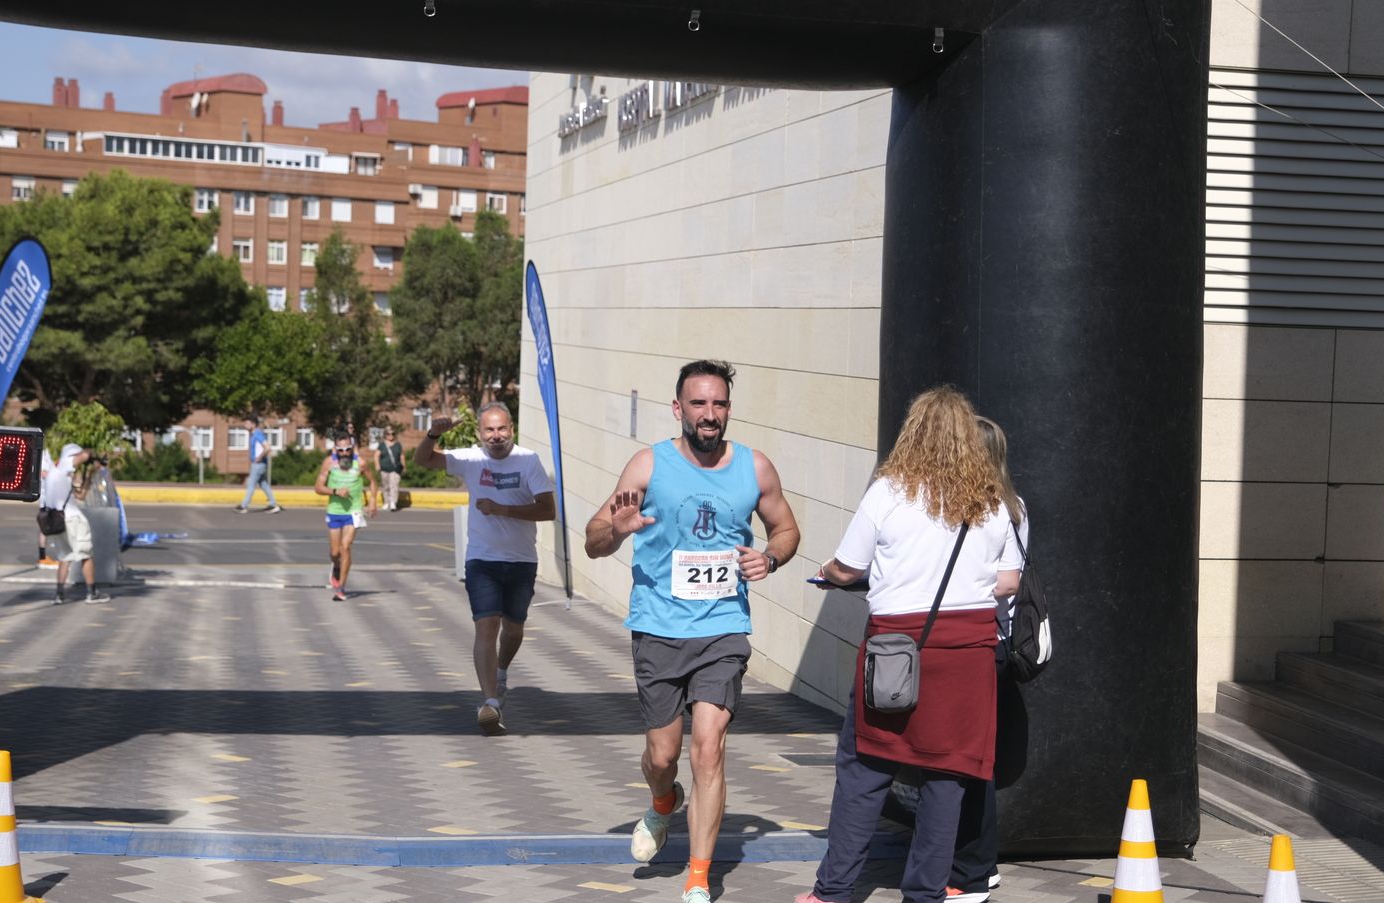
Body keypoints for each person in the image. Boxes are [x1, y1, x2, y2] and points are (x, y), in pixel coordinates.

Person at [585, 360, 800, 903]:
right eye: (698, 404)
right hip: (658, 628)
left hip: (723, 628)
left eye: (719, 404)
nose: (709, 414)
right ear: (678, 408)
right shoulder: (648, 465)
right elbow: (592, 538)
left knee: (708, 749)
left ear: (729, 409)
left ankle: (699, 879)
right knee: (663, 755)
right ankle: (663, 803)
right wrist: (618, 527)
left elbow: (787, 528)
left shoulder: (754, 467)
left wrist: (770, 558)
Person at [795, 386, 1020, 903]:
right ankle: (924, 894)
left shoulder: (888, 492)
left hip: (897, 650)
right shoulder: (990, 501)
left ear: (912, 433)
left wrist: (829, 573)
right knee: (949, 776)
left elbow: (849, 567)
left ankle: (832, 892)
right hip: (968, 657)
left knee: (865, 767)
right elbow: (1009, 581)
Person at [415, 402, 555, 735]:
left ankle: (502, 669)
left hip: (521, 560)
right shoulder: (471, 459)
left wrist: (501, 508)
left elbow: (547, 510)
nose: (496, 436)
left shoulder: (527, 461)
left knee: (514, 628)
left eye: (502, 429)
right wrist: (434, 433)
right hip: (482, 560)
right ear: (480, 433)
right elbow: (423, 460)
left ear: (512, 430)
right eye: (489, 430)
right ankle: (490, 703)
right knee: (486, 627)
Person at [945, 415, 1030, 900]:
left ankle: (973, 869)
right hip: (978, 642)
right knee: (968, 756)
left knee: (971, 759)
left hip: (986, 643)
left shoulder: (1005, 508)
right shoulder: (994, 504)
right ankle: (975, 864)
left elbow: (1009, 581)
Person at [43, 444, 111, 605]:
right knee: (86, 555)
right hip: (73, 519)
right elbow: (85, 455)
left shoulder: (56, 471)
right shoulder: (67, 462)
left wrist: (90, 474)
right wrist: (92, 456)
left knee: (64, 557)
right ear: (73, 454)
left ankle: (59, 595)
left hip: (58, 520)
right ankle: (92, 593)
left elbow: (80, 496)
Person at [315, 431, 377, 601]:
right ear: (335, 449)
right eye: (340, 450)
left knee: (346, 547)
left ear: (352, 448)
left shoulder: (361, 463)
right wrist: (335, 491)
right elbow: (318, 487)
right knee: (335, 552)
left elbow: (372, 482)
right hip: (334, 511)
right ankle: (336, 566)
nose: (344, 453)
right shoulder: (329, 463)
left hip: (354, 510)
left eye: (347, 449)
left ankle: (341, 588)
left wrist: (372, 501)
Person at [234, 415, 283, 514]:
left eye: (247, 423)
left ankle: (243, 506)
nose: (245, 425)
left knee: (251, 484)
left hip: (258, 464)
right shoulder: (254, 434)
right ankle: (273, 505)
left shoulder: (258, 434)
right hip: (259, 464)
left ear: (253, 424)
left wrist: (259, 458)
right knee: (263, 484)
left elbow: (267, 447)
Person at [377, 427, 405, 512]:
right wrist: (377, 465)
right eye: (388, 434)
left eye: (393, 434)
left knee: (394, 485)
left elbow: (401, 456)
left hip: (395, 469)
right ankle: (386, 502)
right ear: (385, 435)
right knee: (386, 486)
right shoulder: (382, 445)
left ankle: (393, 502)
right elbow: (376, 455)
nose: (391, 436)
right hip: (384, 468)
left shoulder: (398, 444)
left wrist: (404, 466)